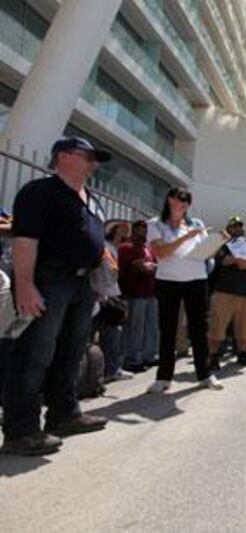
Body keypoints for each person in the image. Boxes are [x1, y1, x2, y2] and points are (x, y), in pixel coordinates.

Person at [2, 136, 110, 456]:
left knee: (70, 352)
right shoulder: (40, 192)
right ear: (62, 157)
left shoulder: (90, 199)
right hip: (49, 281)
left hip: (82, 284)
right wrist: (25, 284)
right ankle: (20, 430)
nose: (94, 162)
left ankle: (64, 414)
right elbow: (26, 240)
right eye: (87, 155)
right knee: (34, 353)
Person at [146, 187, 222, 393]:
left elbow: (205, 254)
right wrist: (186, 237)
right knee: (168, 329)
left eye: (187, 200)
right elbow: (161, 252)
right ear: (169, 199)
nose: (183, 203)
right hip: (168, 281)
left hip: (196, 279)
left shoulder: (197, 224)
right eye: (180, 198)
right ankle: (163, 377)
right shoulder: (155, 224)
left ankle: (205, 374)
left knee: (199, 329)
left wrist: (215, 243)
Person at [207, 216, 246, 368]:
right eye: (234, 226)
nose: (238, 229)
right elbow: (219, 260)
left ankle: (243, 354)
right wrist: (231, 260)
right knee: (217, 325)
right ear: (229, 229)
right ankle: (213, 356)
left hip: (244, 293)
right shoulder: (222, 244)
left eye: (240, 226)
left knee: (244, 327)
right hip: (223, 291)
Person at [95, 220, 133, 383]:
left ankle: (111, 369)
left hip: (111, 295)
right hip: (101, 296)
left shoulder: (115, 249)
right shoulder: (104, 247)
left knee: (112, 334)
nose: (126, 230)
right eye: (122, 227)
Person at [119, 219, 159, 373]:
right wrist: (146, 266)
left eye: (145, 228)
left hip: (150, 293)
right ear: (134, 230)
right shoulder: (127, 247)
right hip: (135, 293)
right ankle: (132, 359)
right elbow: (139, 268)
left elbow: (156, 265)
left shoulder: (148, 249)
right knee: (135, 328)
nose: (143, 231)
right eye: (140, 228)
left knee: (151, 327)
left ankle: (149, 356)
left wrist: (150, 266)